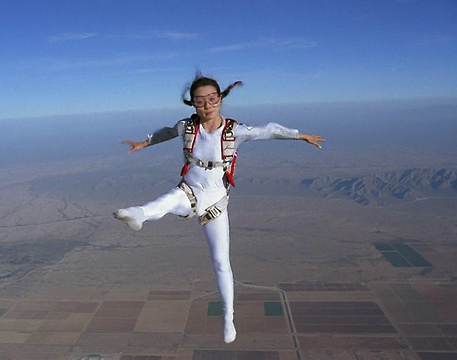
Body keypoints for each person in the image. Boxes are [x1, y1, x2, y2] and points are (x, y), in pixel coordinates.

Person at [114, 74, 325, 343]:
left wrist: (300, 136)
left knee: (221, 263)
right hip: (188, 191)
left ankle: (229, 317)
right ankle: (138, 214)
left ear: (220, 98)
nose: (207, 105)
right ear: (192, 104)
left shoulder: (233, 132)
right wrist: (143, 143)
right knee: (166, 201)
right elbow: (166, 132)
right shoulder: (187, 127)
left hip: (215, 203)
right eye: (200, 101)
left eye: (212, 99)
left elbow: (268, 130)